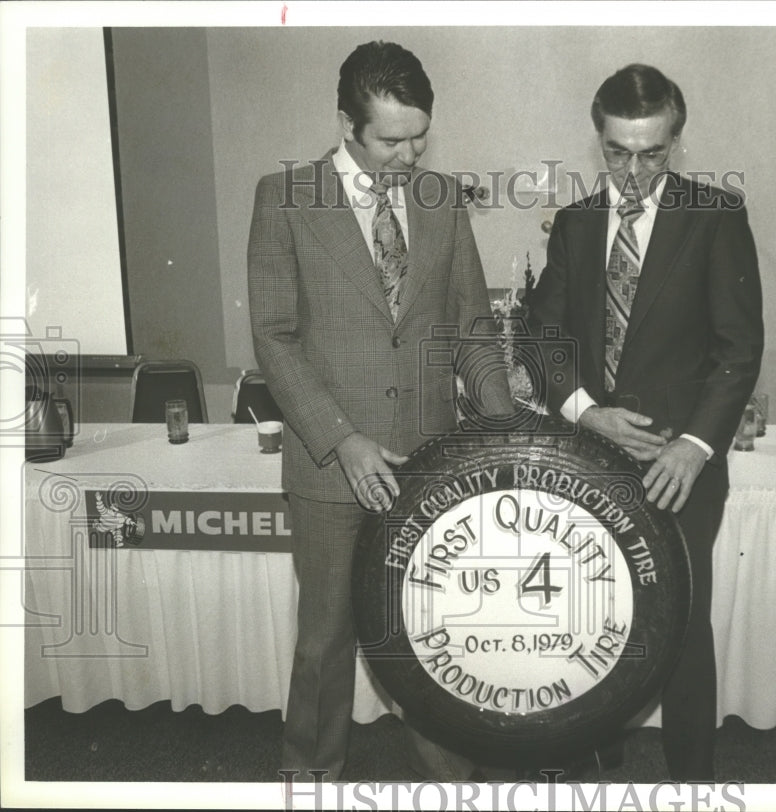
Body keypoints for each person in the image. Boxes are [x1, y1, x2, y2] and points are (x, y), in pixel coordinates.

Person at [247, 40, 512, 781]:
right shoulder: (286, 198)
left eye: (419, 134)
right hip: (333, 468)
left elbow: (471, 330)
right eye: (391, 139)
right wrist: (343, 439)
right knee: (326, 641)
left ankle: (453, 780)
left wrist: (503, 414)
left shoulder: (441, 199)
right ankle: (312, 778)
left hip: (429, 466)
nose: (409, 152)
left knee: (429, 637)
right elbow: (274, 338)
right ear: (346, 124)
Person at [527, 63, 764, 780]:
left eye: (652, 153)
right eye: (617, 152)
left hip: (678, 470)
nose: (633, 171)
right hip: (593, 461)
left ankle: (694, 784)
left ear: (676, 140)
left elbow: (739, 348)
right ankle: (594, 764)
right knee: (593, 623)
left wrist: (694, 448)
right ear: (598, 139)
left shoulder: (715, 216)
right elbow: (542, 340)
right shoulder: (575, 223)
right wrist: (586, 412)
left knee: (681, 632)